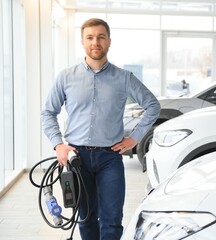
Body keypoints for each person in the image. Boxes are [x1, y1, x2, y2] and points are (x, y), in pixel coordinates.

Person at [41, 18, 160, 239]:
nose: (95, 42)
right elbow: (48, 112)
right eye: (90, 37)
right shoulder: (66, 77)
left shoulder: (124, 78)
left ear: (109, 41)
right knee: (85, 218)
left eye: (101, 37)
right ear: (83, 41)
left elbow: (153, 106)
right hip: (77, 158)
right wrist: (58, 145)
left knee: (112, 220)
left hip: (110, 159)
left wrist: (134, 138)